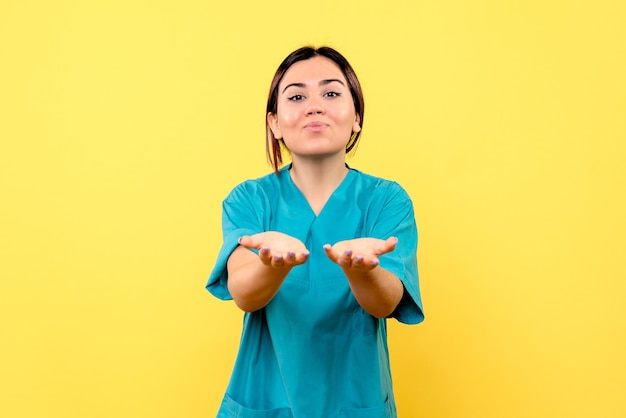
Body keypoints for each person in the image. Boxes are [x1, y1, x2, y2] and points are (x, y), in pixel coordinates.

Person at [206, 46, 424, 418]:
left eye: (331, 93)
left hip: (356, 401)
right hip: (264, 400)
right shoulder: (250, 199)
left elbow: (387, 301)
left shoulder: (387, 200)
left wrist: (363, 271)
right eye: (296, 96)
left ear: (356, 117)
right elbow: (243, 292)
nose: (314, 105)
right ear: (274, 123)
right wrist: (273, 266)